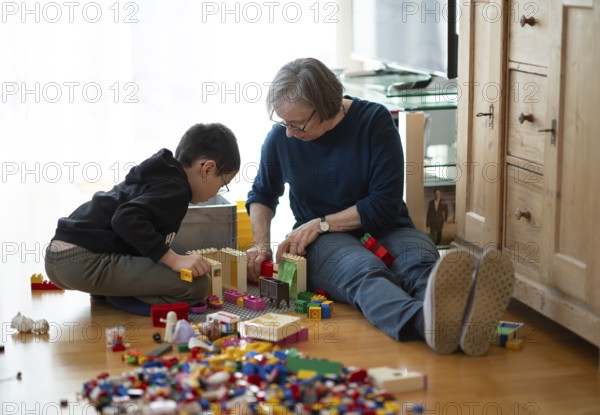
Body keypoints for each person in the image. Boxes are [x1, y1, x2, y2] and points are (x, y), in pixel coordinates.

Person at [245, 57, 515, 356]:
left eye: (297, 124)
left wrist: (321, 221)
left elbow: (382, 204)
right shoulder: (281, 140)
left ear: (324, 106)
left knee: (418, 261)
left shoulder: (374, 121)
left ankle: (460, 320)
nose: (289, 133)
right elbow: (262, 195)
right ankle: (429, 322)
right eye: (283, 123)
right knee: (364, 270)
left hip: (385, 226)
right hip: (321, 241)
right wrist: (260, 245)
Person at [45, 123, 240, 316]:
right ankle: (120, 297)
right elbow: (125, 218)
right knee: (198, 285)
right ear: (207, 169)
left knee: (162, 261)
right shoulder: (177, 190)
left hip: (61, 257)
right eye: (223, 183)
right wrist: (173, 259)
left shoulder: (162, 174)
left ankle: (110, 291)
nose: (218, 191)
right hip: (80, 261)